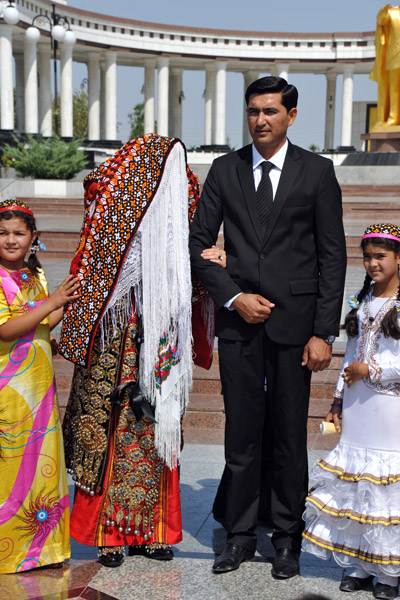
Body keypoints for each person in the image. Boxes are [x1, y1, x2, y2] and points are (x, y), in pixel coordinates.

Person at [189, 76, 346, 578]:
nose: (260, 120)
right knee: (241, 432)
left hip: (296, 327)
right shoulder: (225, 170)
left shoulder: (317, 172)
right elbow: (197, 245)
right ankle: (236, 536)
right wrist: (233, 296)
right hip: (239, 325)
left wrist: (323, 331)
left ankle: (286, 538)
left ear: (291, 116)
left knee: (285, 436)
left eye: (271, 111)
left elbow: (332, 256)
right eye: (253, 111)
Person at [60, 134, 211, 567]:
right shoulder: (113, 200)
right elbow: (98, 263)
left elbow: (190, 267)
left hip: (162, 331)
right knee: (114, 428)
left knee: (159, 426)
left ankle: (155, 531)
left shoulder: (185, 200)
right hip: (119, 336)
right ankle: (108, 534)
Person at [303, 223, 400, 600]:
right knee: (358, 483)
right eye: (367, 257)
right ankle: (359, 563)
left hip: (389, 408)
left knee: (386, 486)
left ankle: (389, 573)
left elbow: (375, 363)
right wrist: (337, 401)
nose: (373, 264)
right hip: (359, 407)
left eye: (381, 257)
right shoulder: (361, 300)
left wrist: (372, 371)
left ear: (398, 259)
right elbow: (353, 355)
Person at [0, 199, 79, 574]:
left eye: (18, 233)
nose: (10, 240)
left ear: (34, 238)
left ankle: (43, 549)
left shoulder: (36, 276)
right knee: (11, 468)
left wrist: (67, 301)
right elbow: (6, 329)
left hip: (40, 391)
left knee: (42, 466)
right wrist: (52, 304)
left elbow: (44, 320)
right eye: (3, 233)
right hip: (10, 392)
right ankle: (9, 552)